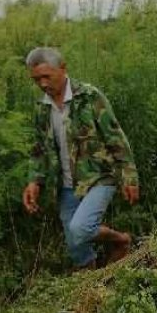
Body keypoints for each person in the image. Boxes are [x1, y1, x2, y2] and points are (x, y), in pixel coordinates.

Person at [22, 47, 139, 268]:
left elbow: (115, 137)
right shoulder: (42, 108)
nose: (43, 84)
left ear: (63, 69)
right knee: (76, 246)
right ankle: (91, 285)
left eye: (47, 76)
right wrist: (34, 182)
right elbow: (39, 148)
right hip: (66, 185)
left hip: (99, 177)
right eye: (37, 79)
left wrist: (129, 177)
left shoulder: (89, 97)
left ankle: (121, 240)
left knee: (80, 229)